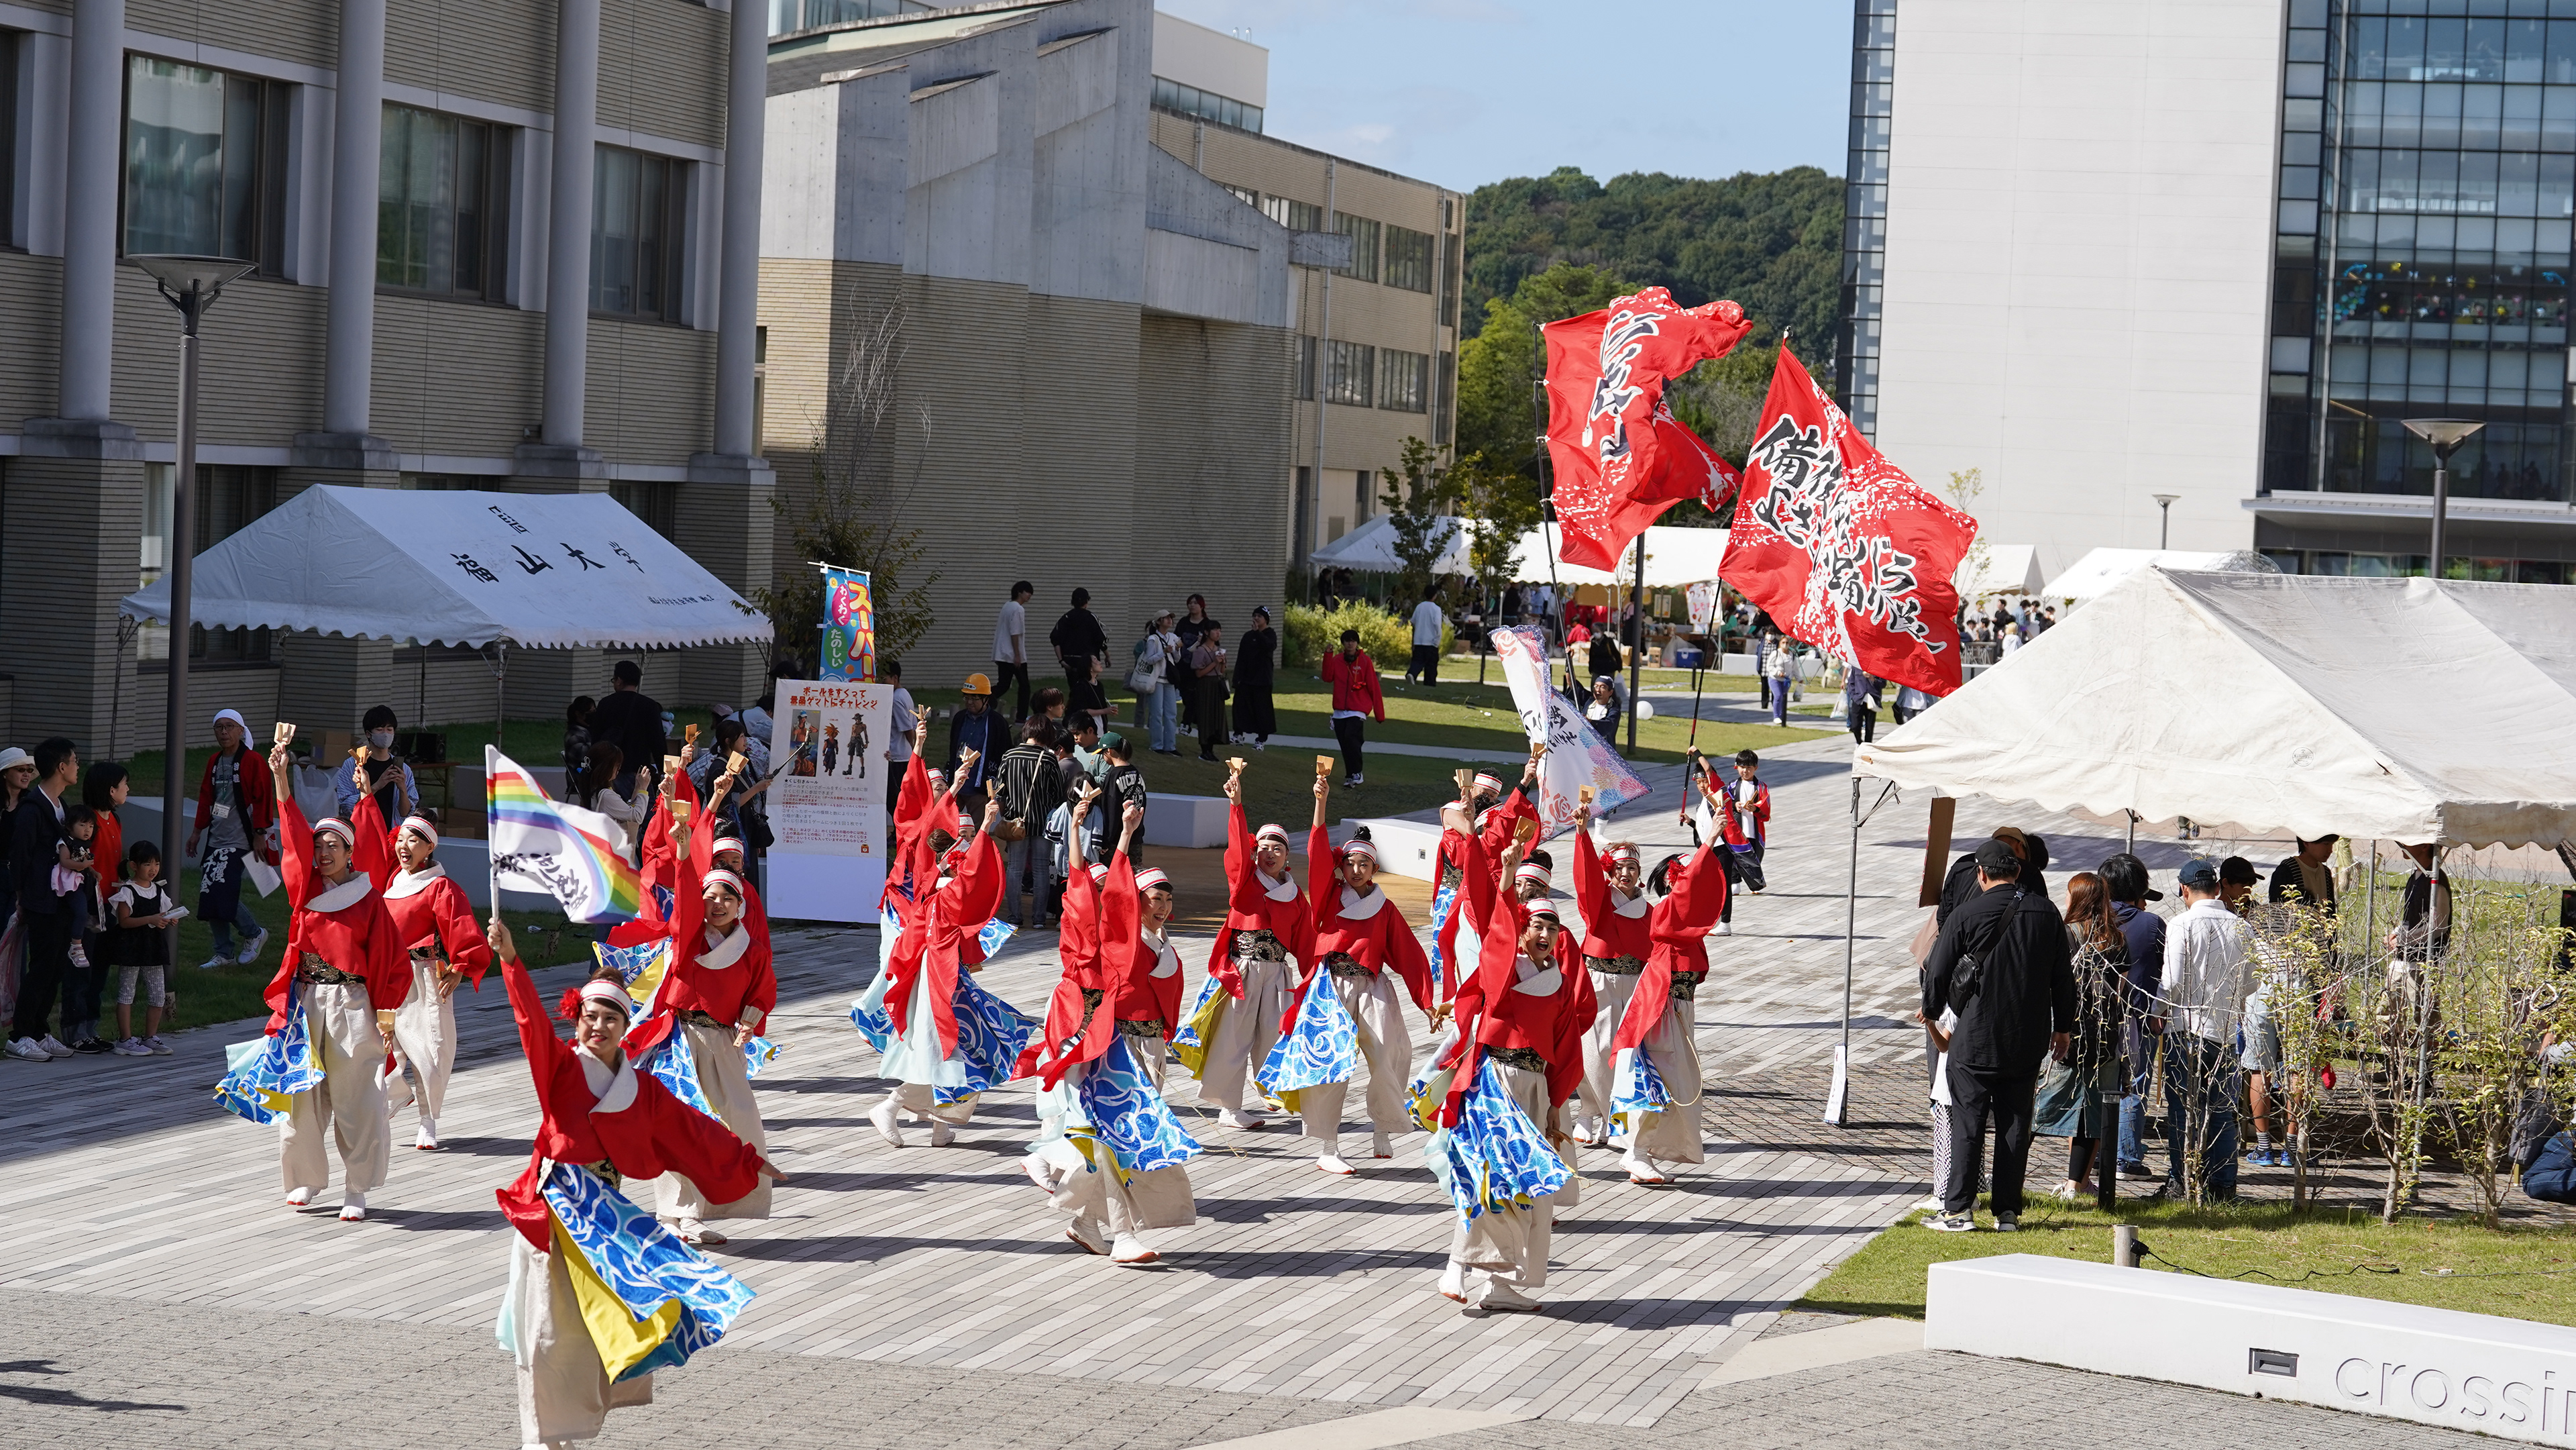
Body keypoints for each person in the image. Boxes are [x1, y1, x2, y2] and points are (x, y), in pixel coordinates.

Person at [484, 915, 781, 1449]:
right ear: (575, 1020)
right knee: (545, 1330)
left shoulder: (638, 1087)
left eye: (610, 1020)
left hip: (607, 1222)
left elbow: (692, 1131)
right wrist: (510, 961)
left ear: (626, 1028)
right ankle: (539, 1437)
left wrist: (747, 1160)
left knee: (594, 1330)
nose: (597, 1028)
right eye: (589, 1018)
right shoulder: (560, 1069)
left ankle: (565, 1428)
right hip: (555, 1214)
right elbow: (530, 1023)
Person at [1426, 840, 1592, 1312]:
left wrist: (1557, 1104)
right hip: (1497, 1083)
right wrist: (1505, 877)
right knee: (1493, 1179)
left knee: (1527, 1188)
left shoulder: (1558, 982)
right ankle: (1458, 1263)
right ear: (1522, 930)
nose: (1544, 932)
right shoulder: (1506, 969)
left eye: (1552, 926)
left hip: (1536, 1090)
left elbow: (1564, 1048)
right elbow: (1496, 941)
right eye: (1536, 924)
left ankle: (1495, 1284)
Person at [626, 770, 781, 1245]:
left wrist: (749, 1024)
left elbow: (762, 988)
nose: (715, 903)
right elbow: (687, 888)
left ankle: (696, 1210)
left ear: (741, 903)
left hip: (723, 1042)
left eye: (725, 897)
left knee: (739, 1124)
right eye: (709, 896)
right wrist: (681, 845)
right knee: (687, 1123)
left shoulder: (749, 946)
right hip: (680, 1039)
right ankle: (681, 1215)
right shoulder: (689, 934)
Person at [261, 734, 411, 1221]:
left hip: (351, 1002)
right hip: (307, 1000)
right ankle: (306, 1177)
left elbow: (391, 960)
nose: (322, 853)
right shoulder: (305, 889)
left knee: (356, 1097)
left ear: (350, 853)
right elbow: (289, 829)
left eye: (332, 846)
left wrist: (385, 1013)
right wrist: (281, 775)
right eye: (318, 846)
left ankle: (358, 1187)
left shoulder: (369, 901)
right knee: (300, 1096)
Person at [1049, 812, 1201, 1263]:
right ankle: (1123, 1234)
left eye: (1168, 898)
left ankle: (1087, 1222)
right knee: (1121, 1139)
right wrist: (1124, 835)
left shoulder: (1164, 943)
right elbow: (1095, 892)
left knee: (1126, 1141)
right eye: (1154, 896)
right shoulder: (1120, 939)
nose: (1163, 904)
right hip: (1117, 1050)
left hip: (1151, 1050)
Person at [1920, 837, 2075, 1233]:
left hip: (1975, 1036)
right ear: (2019, 871)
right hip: (2028, 1036)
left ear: (1981, 874)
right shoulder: (2047, 913)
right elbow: (2063, 978)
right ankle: (2007, 1212)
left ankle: (1958, 1211)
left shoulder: (1967, 913)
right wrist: (2064, 1027)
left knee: (1968, 1123)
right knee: (2014, 1124)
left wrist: (1934, 1011)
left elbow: (1937, 970)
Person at [1268, 825, 1436, 1174]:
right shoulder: (1329, 897)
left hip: (1372, 986)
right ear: (1340, 867)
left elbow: (1409, 954)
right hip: (1330, 988)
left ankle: (1382, 1127)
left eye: (1364, 864)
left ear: (1375, 869)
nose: (1356, 870)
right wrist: (1320, 805)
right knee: (1330, 1062)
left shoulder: (1384, 907)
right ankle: (1329, 1146)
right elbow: (1316, 857)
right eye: (1350, 863)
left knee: (1392, 1051)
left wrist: (1428, 1002)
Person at [1607, 767, 1741, 1184]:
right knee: (1657, 1081)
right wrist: (1708, 842)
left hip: (1678, 1006)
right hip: (1660, 1005)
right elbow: (1689, 895)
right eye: (1684, 878)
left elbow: (1699, 896)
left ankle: (1643, 1150)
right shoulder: (1667, 912)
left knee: (1677, 1084)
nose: (1691, 885)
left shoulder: (1688, 924)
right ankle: (1636, 1151)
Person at [1191, 766, 1324, 1129]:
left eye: (1276, 847)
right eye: (1262, 847)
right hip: (1244, 969)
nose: (1269, 853)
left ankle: (1274, 1092)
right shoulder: (1245, 883)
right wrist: (1236, 805)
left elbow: (1308, 942)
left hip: (1278, 973)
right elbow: (1236, 852)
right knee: (1233, 1038)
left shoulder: (1295, 895)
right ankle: (1230, 1108)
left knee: (1275, 1035)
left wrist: (1319, 982)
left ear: (1286, 856)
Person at [363, 801, 491, 1151]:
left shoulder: (440, 887)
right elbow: (370, 840)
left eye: (414, 841)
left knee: (430, 1051)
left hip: (423, 978)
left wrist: (460, 967)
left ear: (430, 847)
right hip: (389, 977)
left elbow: (461, 926)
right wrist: (366, 796)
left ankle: (428, 1120)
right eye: (401, 840)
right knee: (384, 1047)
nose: (404, 847)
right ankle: (395, 1098)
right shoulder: (393, 879)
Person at [2161, 857, 2254, 1201]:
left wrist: (2158, 1012)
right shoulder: (2241, 926)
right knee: (2222, 1110)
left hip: (2185, 1027)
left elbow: (2170, 981)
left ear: (2184, 890)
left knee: (2182, 1109)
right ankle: (2223, 1185)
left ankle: (2181, 1181)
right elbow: (2250, 983)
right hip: (2226, 1028)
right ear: (2218, 888)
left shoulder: (2180, 924)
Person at [2037, 870, 2127, 1200]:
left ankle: (2012, 1174)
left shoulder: (2064, 934)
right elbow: (2120, 991)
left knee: (2039, 1104)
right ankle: (2077, 1184)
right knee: (2094, 1113)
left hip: (2064, 1032)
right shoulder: (2117, 939)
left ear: (2077, 898)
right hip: (2104, 1038)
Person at [7, 738, 81, 1059]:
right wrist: (21, 897)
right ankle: (19, 1035)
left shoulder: (62, 807)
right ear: (62, 767)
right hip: (40, 901)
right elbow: (20, 857)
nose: (78, 767)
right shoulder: (32, 809)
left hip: (61, 900)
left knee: (55, 968)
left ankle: (39, 1031)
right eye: (75, 762)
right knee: (40, 968)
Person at [186, 709, 276, 972]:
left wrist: (259, 833)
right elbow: (206, 798)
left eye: (229, 727)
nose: (224, 732)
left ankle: (254, 933)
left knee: (223, 891)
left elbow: (263, 797)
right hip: (216, 835)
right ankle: (223, 952)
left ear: (241, 730)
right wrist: (197, 832)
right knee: (210, 891)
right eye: (219, 727)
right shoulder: (214, 761)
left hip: (240, 838)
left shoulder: (252, 760)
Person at [2100, 851, 2167, 1183]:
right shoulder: (2151, 924)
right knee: (2133, 1083)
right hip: (2138, 1016)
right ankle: (2126, 1157)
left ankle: (2094, 1155)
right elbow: (2162, 971)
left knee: (2096, 1083)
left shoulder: (2089, 920)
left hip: (2092, 1018)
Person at [107, 840, 178, 1056]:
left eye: (156, 864)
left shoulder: (158, 890)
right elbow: (124, 921)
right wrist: (151, 919)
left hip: (153, 948)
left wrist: (170, 919)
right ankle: (125, 1039)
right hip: (131, 948)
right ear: (134, 866)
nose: (153, 869)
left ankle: (150, 1037)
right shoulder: (127, 891)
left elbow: (164, 913)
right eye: (148, 864)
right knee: (127, 993)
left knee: (157, 994)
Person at [995, 719, 1065, 927]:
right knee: (1041, 869)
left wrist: (1007, 811)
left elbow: (1000, 790)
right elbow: (1058, 794)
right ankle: (1039, 919)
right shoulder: (1049, 760)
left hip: (1016, 822)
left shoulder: (1009, 755)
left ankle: (1015, 917)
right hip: (1043, 823)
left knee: (1015, 868)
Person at [586, 660, 666, 799]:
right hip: (640, 771)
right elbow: (658, 741)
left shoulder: (606, 704)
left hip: (610, 770)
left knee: (613, 814)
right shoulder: (649, 706)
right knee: (642, 812)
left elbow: (596, 738)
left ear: (619, 681)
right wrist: (663, 771)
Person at [1319, 628, 1385, 788]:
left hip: (1357, 710)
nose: (1350, 643)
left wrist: (1379, 714)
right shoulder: (1337, 660)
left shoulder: (1365, 662)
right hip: (1340, 712)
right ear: (1343, 643)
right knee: (1345, 743)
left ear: (1357, 643)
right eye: (1347, 641)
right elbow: (1327, 678)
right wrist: (1327, 656)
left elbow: (1373, 687)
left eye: (1353, 641)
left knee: (1352, 739)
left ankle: (1357, 772)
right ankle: (1350, 775)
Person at [335, 705, 418, 829]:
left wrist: (402, 789)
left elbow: (405, 814)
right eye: (380, 729)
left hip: (390, 833)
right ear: (369, 734)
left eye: (390, 730)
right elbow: (347, 807)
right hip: (362, 832)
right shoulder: (354, 765)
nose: (386, 734)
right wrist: (375, 787)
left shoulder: (403, 769)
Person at [947, 673, 1007, 807]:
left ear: (986, 699)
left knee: (976, 828)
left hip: (979, 789)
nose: (969, 702)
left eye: (974, 698)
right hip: (956, 787)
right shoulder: (959, 718)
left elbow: (1004, 754)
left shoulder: (997, 722)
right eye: (966, 698)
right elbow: (952, 748)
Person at [586, 742, 647, 862]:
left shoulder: (595, 788)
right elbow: (637, 816)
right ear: (606, 767)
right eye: (616, 765)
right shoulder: (607, 795)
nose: (619, 769)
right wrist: (644, 789)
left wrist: (637, 788)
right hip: (613, 856)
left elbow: (624, 811)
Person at [1233, 606, 1279, 747]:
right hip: (1246, 679)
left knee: (1262, 710)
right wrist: (1237, 678)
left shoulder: (1270, 634)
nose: (1256, 618)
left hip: (1262, 680)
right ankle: (1238, 734)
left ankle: (1261, 739)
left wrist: (1258, 633)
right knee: (1240, 707)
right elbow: (1241, 658)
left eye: (1260, 616)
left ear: (1266, 620)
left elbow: (1269, 646)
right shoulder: (1248, 636)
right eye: (1255, 616)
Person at [1138, 612, 1182, 756]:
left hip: (1169, 680)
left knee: (1171, 714)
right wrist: (1163, 652)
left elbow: (1177, 659)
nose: (1170, 620)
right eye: (1167, 618)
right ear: (1158, 621)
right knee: (1157, 713)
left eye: (1171, 618)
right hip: (1156, 680)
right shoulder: (1153, 639)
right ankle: (1157, 745)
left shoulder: (1173, 637)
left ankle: (1170, 746)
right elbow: (1150, 660)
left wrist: (1177, 649)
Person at [1049, 587, 1109, 692]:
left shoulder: (1066, 618)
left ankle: (1074, 708)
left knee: (1074, 690)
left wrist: (1062, 661)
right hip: (1088, 662)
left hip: (1070, 661)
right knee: (1089, 690)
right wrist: (1107, 656)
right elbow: (1101, 641)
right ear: (1086, 602)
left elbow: (1055, 639)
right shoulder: (1091, 617)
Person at [1174, 595, 1218, 737]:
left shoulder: (1207, 624)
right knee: (1187, 696)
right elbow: (1176, 640)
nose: (1192, 606)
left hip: (1199, 666)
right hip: (1183, 665)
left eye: (1195, 603)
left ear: (1202, 606)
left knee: (1194, 696)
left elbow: (1215, 643)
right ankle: (1198, 721)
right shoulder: (1184, 622)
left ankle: (1186, 724)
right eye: (1190, 603)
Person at [1187, 625, 1229, 762]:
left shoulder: (1218, 650)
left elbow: (1222, 671)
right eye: (1215, 630)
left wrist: (1222, 662)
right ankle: (1204, 750)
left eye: (1220, 631)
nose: (1218, 633)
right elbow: (1199, 673)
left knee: (1215, 717)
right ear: (1207, 632)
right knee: (1205, 716)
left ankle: (1211, 749)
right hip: (1205, 686)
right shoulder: (1200, 651)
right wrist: (1214, 663)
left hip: (1216, 685)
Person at [994, 580, 1034, 721]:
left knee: (1003, 685)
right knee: (1024, 686)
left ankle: (984, 699)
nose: (1029, 595)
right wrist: (1017, 655)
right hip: (1013, 655)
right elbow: (1015, 633)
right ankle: (1021, 717)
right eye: (1027, 592)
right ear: (1019, 592)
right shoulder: (1018, 609)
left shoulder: (1007, 606)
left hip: (1002, 654)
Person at [2268, 835, 2339, 913]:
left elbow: (2331, 910)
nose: (2330, 850)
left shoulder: (2325, 872)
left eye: (2332, 844)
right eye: (2326, 844)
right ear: (2306, 842)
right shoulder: (2287, 870)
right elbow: (2276, 909)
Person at [884, 659, 917, 815]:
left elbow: (907, 728)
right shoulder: (905, 694)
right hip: (903, 755)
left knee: (894, 798)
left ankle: (899, 833)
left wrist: (912, 745)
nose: (881, 683)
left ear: (895, 678)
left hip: (897, 756)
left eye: (885, 679)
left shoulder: (896, 699)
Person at [562, 696, 596, 807]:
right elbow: (587, 757)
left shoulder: (588, 731)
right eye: (590, 712)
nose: (593, 715)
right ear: (579, 714)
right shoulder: (573, 735)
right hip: (579, 772)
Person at [1409, 590, 1446, 687]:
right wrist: (1438, 637)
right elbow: (1437, 624)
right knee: (1431, 663)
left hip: (1419, 639)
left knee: (1418, 660)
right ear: (1435, 596)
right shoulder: (1436, 609)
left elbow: (1413, 621)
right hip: (1431, 640)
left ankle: (1412, 673)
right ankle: (1429, 682)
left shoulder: (1419, 607)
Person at [1843, 666, 1882, 745]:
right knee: (1855, 726)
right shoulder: (1856, 667)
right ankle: (1859, 742)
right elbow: (1851, 683)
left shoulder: (1877, 666)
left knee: (1869, 727)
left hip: (1872, 700)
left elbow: (1883, 684)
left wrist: (1872, 679)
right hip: (1858, 700)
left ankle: (1868, 745)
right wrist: (1854, 696)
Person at [1763, 637, 1792, 726]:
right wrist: (1778, 672)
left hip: (1786, 679)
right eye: (1783, 642)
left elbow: (1795, 668)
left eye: (1787, 643)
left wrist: (1799, 679)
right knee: (1778, 696)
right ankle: (1777, 716)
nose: (1785, 644)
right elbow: (1770, 666)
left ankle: (1782, 717)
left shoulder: (1791, 655)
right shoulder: (1775, 653)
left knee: (1783, 697)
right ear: (1780, 643)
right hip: (1775, 678)